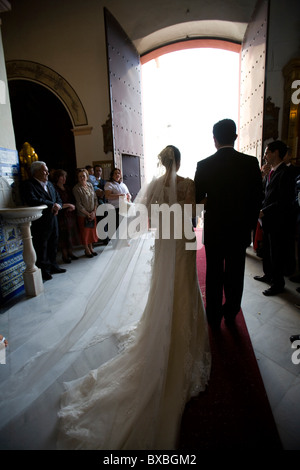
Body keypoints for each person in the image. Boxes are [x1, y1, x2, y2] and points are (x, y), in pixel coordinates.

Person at [0, 146, 211, 450]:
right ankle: (182, 333)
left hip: (164, 242)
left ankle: (159, 326)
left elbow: (150, 215)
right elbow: (190, 214)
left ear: (162, 162)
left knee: (164, 287)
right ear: (179, 162)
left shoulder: (153, 185)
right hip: (182, 240)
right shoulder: (188, 183)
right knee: (184, 286)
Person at [194, 119, 262, 328]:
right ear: (235, 137)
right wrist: (249, 227)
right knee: (235, 273)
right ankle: (231, 311)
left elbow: (196, 198)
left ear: (214, 139)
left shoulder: (204, 165)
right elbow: (257, 198)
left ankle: (213, 316)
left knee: (214, 274)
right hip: (239, 230)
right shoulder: (250, 163)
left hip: (214, 229)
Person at [254, 140, 296, 296]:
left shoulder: (285, 173)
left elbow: (283, 200)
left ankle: (278, 283)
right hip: (267, 220)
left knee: (277, 252)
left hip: (278, 220)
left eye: (267, 153)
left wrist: (264, 211)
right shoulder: (271, 171)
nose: (265, 156)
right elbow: (267, 194)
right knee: (267, 250)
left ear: (276, 152)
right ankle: (268, 275)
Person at [20, 161, 66, 281]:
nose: (47, 173)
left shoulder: (50, 184)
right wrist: (52, 205)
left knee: (54, 243)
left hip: (53, 218)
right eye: (44, 171)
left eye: (47, 170)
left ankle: (53, 265)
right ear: (36, 172)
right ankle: (44, 270)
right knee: (42, 246)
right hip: (41, 221)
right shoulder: (29, 185)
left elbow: (58, 198)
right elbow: (32, 199)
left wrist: (58, 206)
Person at [53, 169, 80, 264]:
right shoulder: (54, 188)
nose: (64, 178)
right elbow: (56, 202)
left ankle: (70, 252)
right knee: (63, 236)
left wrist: (72, 206)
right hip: (61, 215)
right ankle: (64, 255)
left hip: (70, 214)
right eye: (62, 176)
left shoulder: (67, 188)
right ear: (57, 177)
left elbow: (73, 199)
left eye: (65, 176)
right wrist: (68, 206)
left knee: (70, 234)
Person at [73, 169, 98, 258]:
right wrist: (88, 214)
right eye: (80, 176)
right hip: (83, 215)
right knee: (85, 233)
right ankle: (86, 249)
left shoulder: (90, 185)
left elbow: (95, 199)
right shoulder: (76, 188)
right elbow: (78, 204)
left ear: (87, 177)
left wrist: (94, 212)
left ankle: (91, 248)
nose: (82, 178)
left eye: (84, 176)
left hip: (92, 213)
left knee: (91, 232)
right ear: (78, 178)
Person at [104, 167, 131, 231]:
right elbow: (107, 196)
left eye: (118, 173)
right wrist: (119, 195)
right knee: (117, 228)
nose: (117, 175)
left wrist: (129, 196)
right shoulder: (109, 184)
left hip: (124, 207)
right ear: (112, 175)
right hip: (115, 208)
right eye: (115, 173)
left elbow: (128, 193)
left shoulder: (123, 184)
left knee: (125, 227)